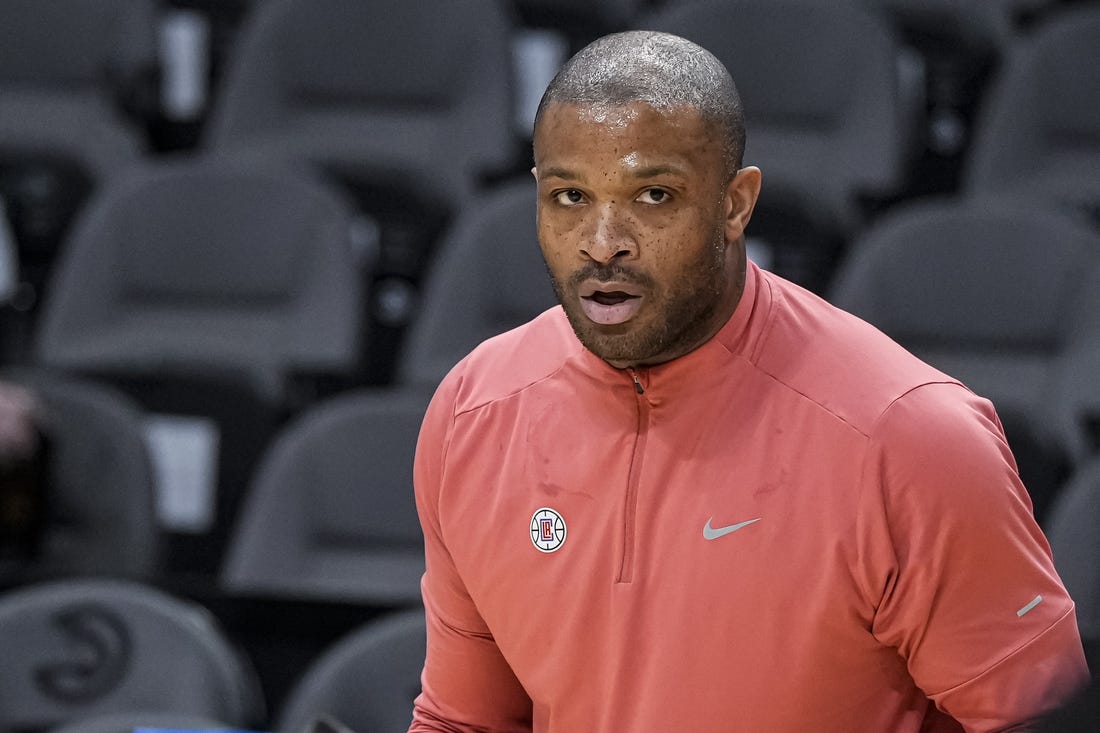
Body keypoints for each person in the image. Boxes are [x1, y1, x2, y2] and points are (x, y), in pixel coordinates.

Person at [409, 30, 1090, 732]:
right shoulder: (472, 412)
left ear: (736, 204)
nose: (603, 239)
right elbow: (464, 720)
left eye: (652, 195)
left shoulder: (909, 440)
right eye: (570, 196)